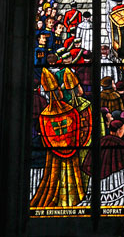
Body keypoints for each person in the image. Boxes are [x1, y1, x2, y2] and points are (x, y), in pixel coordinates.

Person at [30, 68, 85, 207]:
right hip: (71, 153)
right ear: (58, 92)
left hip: (53, 155)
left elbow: (45, 137)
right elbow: (76, 132)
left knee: (54, 177)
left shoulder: (44, 115)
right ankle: (74, 196)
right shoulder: (71, 110)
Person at [81, 120, 124, 206]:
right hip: (114, 178)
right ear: (119, 130)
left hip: (97, 178)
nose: (123, 133)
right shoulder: (120, 143)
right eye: (123, 130)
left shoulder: (100, 141)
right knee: (116, 201)